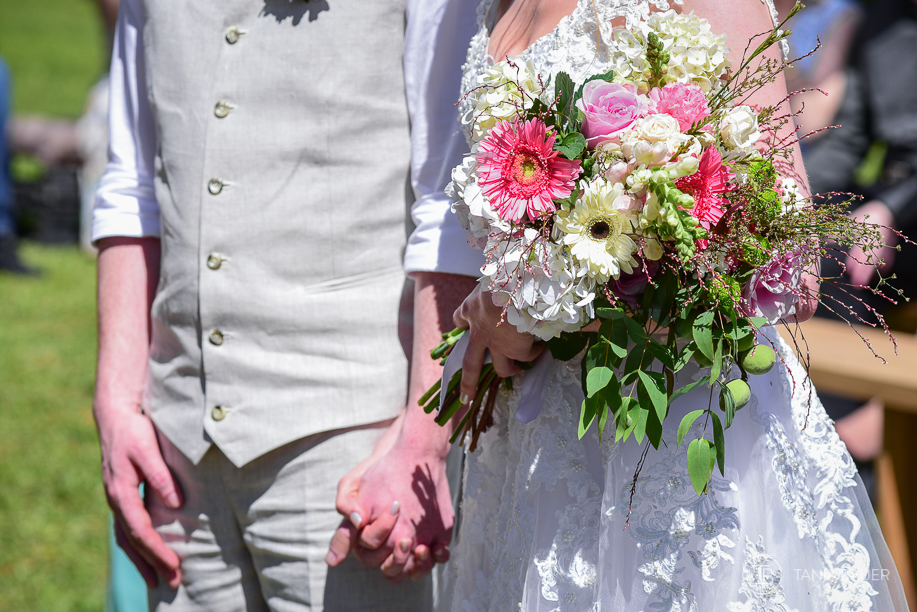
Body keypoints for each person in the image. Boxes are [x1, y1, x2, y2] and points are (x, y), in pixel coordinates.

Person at [337, 0, 912, 609]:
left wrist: (539, 304)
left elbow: (790, 269)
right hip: (534, 448)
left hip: (678, 432)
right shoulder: (490, 7)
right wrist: (506, 295)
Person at [91, 0, 475, 609]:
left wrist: (423, 440)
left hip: (353, 448)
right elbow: (132, 182)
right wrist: (116, 401)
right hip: (178, 441)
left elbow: (452, 198)